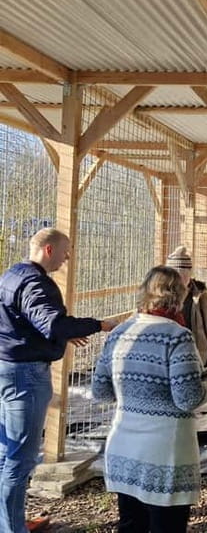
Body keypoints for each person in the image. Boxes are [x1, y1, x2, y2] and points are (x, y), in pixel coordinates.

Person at [0, 227, 116, 533]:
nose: (66, 260)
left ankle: (8, 520)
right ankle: (12, 528)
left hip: (7, 368)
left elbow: (25, 321)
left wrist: (64, 330)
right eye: (65, 253)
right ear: (49, 250)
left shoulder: (12, 275)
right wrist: (99, 325)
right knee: (21, 458)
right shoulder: (36, 283)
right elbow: (50, 322)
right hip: (26, 375)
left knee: (5, 453)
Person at [92, 266, 207, 533]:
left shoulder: (119, 333)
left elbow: (100, 392)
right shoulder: (177, 337)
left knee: (131, 526)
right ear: (179, 296)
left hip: (124, 447)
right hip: (165, 453)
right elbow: (188, 398)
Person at [165, 245, 207, 368]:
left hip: (197, 364)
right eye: (176, 274)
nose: (181, 279)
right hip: (166, 363)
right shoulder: (157, 298)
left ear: (190, 274)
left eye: (184, 273)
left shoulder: (205, 300)